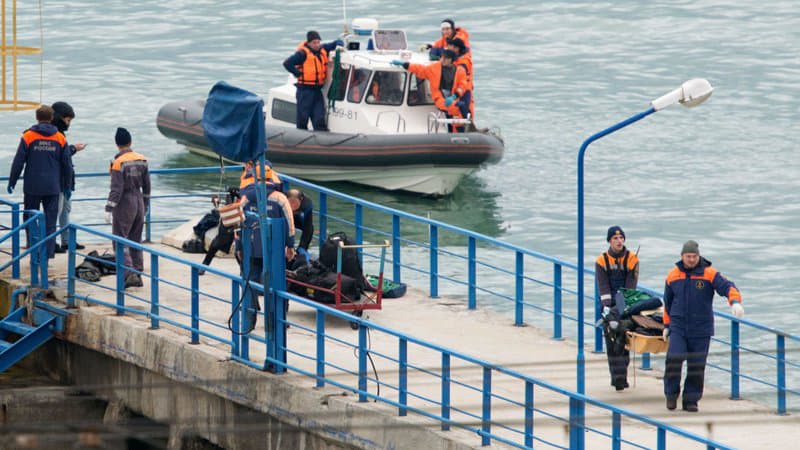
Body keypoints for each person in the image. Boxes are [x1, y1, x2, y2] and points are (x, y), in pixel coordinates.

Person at [662, 240, 745, 412]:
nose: (691, 260)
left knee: (697, 365)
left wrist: (735, 302)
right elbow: (667, 302)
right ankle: (671, 394)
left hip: (701, 327)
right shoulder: (672, 275)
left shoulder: (709, 274)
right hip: (678, 326)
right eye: (688, 256)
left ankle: (690, 400)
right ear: (682, 256)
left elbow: (728, 287)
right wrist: (666, 325)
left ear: (698, 256)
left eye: (694, 256)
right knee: (673, 359)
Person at [7, 105, 73, 259]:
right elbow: (67, 165)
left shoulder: (28, 136)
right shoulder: (60, 137)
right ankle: (48, 253)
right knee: (50, 221)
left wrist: (12, 181)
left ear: (37, 117)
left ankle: (34, 250)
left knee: (30, 218)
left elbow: (18, 162)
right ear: (51, 118)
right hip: (53, 187)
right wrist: (68, 185)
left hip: (32, 186)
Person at [105, 128, 151, 289]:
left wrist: (109, 208)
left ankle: (128, 273)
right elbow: (147, 186)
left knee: (120, 240)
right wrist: (145, 205)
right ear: (130, 142)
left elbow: (116, 189)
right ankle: (137, 273)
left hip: (125, 202)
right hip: (139, 200)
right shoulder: (142, 159)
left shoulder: (118, 163)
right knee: (135, 240)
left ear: (117, 144)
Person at [595, 225, 639, 391]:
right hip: (608, 305)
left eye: (621, 238)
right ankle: (616, 377)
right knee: (611, 341)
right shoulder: (601, 261)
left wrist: (620, 309)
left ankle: (622, 375)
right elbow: (603, 286)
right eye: (615, 239)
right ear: (609, 241)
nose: (619, 241)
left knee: (623, 338)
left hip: (625, 303)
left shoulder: (632, 259)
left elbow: (630, 287)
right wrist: (608, 309)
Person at [391, 50, 468, 132]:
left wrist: (454, 96)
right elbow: (420, 69)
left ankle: (460, 131)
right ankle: (460, 131)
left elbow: (462, 86)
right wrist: (404, 64)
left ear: (452, 60)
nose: (443, 59)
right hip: (440, 98)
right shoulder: (434, 68)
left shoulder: (460, 71)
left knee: (460, 107)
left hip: (453, 98)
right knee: (458, 107)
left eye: (446, 58)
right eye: (442, 57)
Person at [282, 30, 342, 131]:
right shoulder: (302, 54)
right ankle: (300, 136)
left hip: (317, 91)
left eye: (318, 42)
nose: (317, 45)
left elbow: (334, 43)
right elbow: (287, 63)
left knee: (319, 117)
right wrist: (297, 73)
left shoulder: (323, 50)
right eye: (314, 42)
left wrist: (339, 43)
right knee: (303, 117)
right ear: (309, 43)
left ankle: (320, 136)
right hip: (304, 91)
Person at [51, 101, 87, 253]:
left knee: (65, 209)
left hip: (65, 179)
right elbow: (61, 156)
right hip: (58, 180)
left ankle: (66, 240)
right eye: (67, 120)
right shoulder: (55, 134)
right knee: (56, 211)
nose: (69, 123)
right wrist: (74, 148)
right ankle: (51, 241)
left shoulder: (60, 134)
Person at [286, 189, 313, 253]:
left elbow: (308, 225)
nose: (292, 206)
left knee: (310, 228)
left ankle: (302, 249)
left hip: (297, 218)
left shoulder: (307, 204)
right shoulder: (282, 200)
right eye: (290, 202)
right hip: (286, 218)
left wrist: (302, 246)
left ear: (301, 199)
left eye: (295, 203)